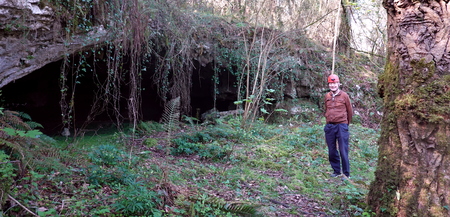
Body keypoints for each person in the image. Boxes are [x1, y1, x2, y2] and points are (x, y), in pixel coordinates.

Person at [323, 74, 353, 179]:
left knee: (343, 149)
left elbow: (350, 111)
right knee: (331, 150)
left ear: (338, 84)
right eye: (331, 84)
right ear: (329, 85)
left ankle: (346, 173)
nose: (333, 86)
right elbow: (326, 109)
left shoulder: (344, 96)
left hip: (341, 126)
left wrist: (345, 124)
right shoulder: (327, 96)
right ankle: (336, 171)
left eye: (334, 83)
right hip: (330, 127)